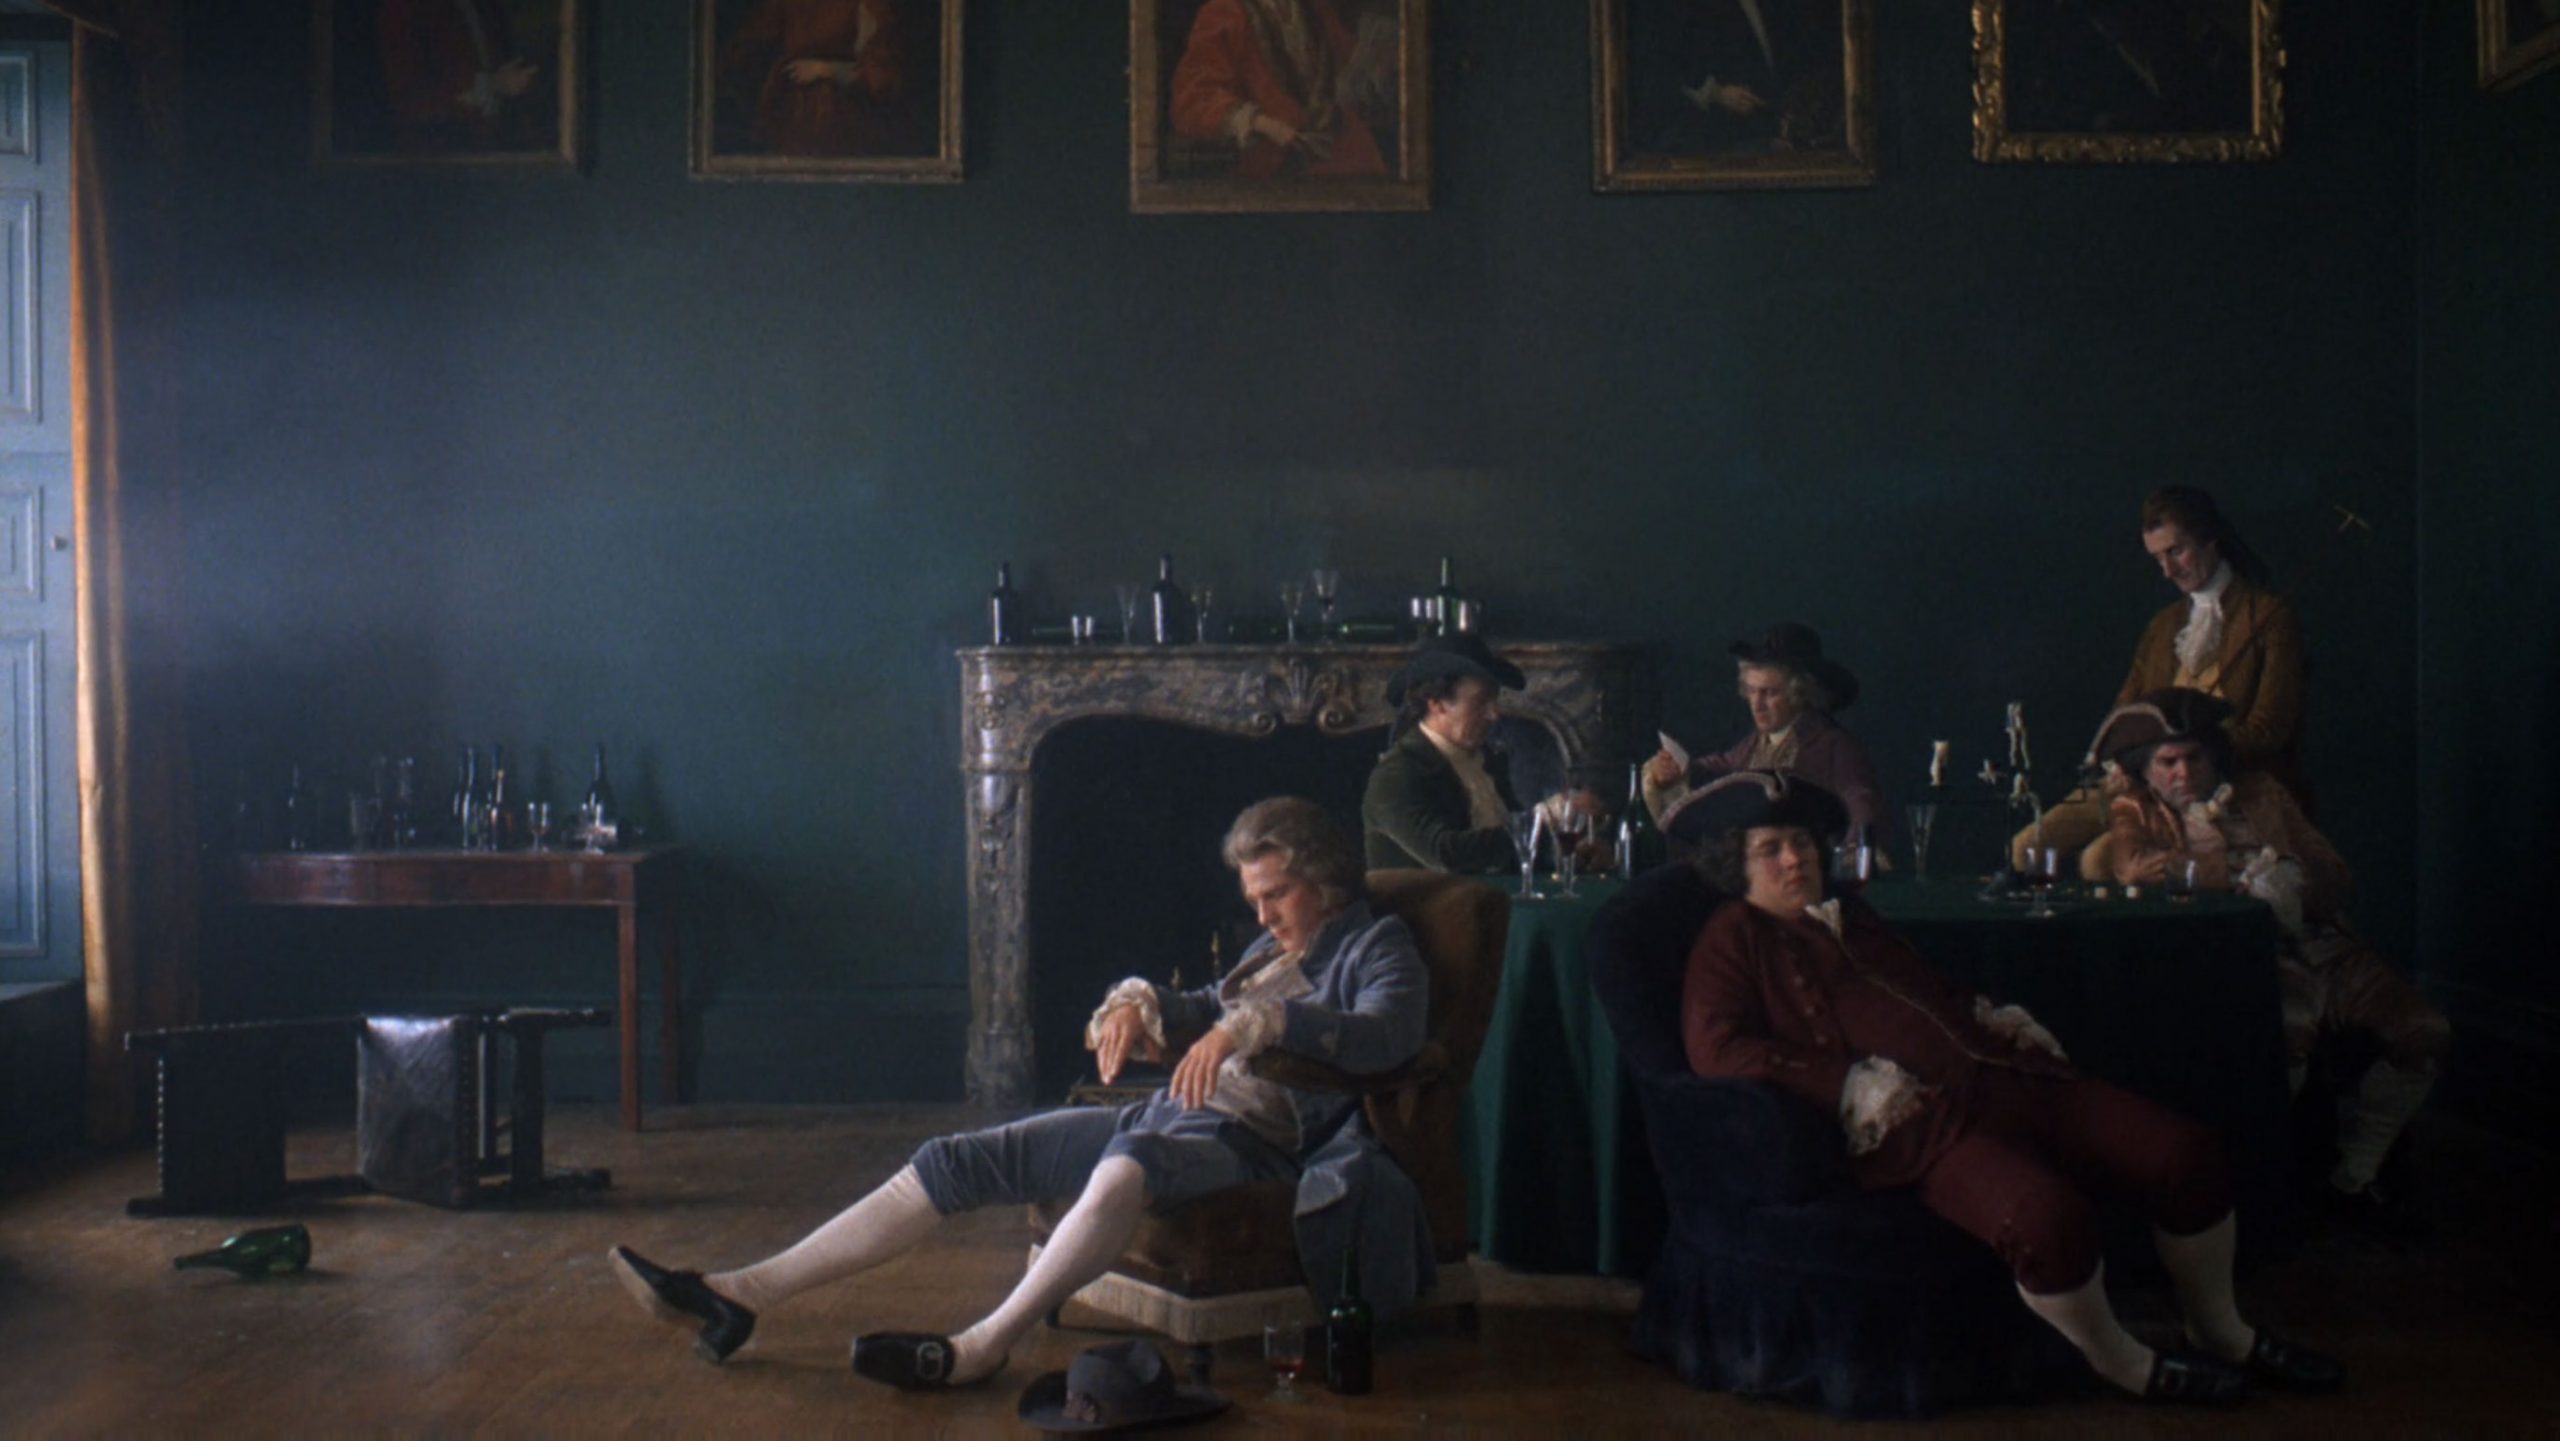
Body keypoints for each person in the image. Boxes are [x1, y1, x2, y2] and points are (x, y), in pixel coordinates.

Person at [608, 798, 1431, 1390]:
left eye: (1276, 893)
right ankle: (739, 1294)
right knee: (958, 1157)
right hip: (1170, 1115)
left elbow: (1385, 1037)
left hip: (1249, 1145)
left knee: (1127, 1163)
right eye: (1253, 898)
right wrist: (1138, 1003)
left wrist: (1254, 1025)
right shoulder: (1268, 950)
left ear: (1324, 879)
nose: (1264, 912)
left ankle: (985, 1344)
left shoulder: (1376, 946)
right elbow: (1200, 1006)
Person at [1670, 770, 2342, 1404]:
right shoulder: (1731, 937)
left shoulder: (1850, 912)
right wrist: (1846, 1084)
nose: (1796, 859)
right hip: (1923, 1126)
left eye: (1802, 841)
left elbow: (1923, 992)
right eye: (1771, 849)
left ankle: (2220, 1331)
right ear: (1736, 863)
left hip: (2009, 1075)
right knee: (2047, 1222)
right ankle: (2120, 1361)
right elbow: (1718, 1049)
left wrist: (1988, 1015)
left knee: (2185, 1155)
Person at [2093, 689, 2449, 1232]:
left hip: (2327, 946)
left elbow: (2336, 874)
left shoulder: (2263, 793)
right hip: (2253, 958)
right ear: (2146, 768)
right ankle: (2256, 1189)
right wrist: (2234, 879)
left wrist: (2290, 877)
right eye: (2169, 761)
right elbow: (2135, 869)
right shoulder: (2135, 809)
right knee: (2283, 1043)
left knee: (2426, 1031)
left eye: (2195, 757)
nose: (2184, 772)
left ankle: (2353, 1176)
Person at [2018, 485, 2307, 871]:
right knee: (2027, 847)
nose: (2168, 571)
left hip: (2213, 786)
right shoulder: (2163, 625)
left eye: (2176, 551)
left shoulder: (2269, 617)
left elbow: (2269, 728)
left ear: (2210, 539)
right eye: (2158, 558)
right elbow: (2124, 711)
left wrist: (2198, 753)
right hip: (2142, 778)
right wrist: (2124, 761)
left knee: (2098, 860)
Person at [1361, 634, 1600, 873]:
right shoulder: (1397, 773)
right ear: (1436, 703)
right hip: (1429, 898)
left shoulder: (1488, 761)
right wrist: (1544, 817)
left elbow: (1505, 851)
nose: (1494, 714)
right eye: (1480, 701)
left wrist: (1568, 854)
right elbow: (1447, 854)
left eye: (1493, 700)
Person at [1643, 622, 1885, 842]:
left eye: (1769, 693)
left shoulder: (1833, 746)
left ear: (1799, 694)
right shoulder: (1754, 744)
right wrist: (1676, 770)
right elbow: (1720, 771)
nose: (1756, 704)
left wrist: (1854, 851)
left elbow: (1862, 802)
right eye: (1751, 691)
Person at [1167, 0, 1394, 179]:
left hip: (1341, 146)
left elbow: (1350, 71)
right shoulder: (1224, 13)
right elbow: (1193, 100)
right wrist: (1263, 123)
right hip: (1274, 160)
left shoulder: (1314, 9)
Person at [717, 0, 915, 158]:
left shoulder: (869, 5)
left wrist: (826, 69)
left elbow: (883, 76)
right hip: (790, 115)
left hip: (844, 118)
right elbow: (750, 43)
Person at [375, 0, 543, 154]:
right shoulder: (405, 8)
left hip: (495, 153)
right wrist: (491, 85)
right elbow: (409, 101)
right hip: (438, 159)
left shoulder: (485, 7)